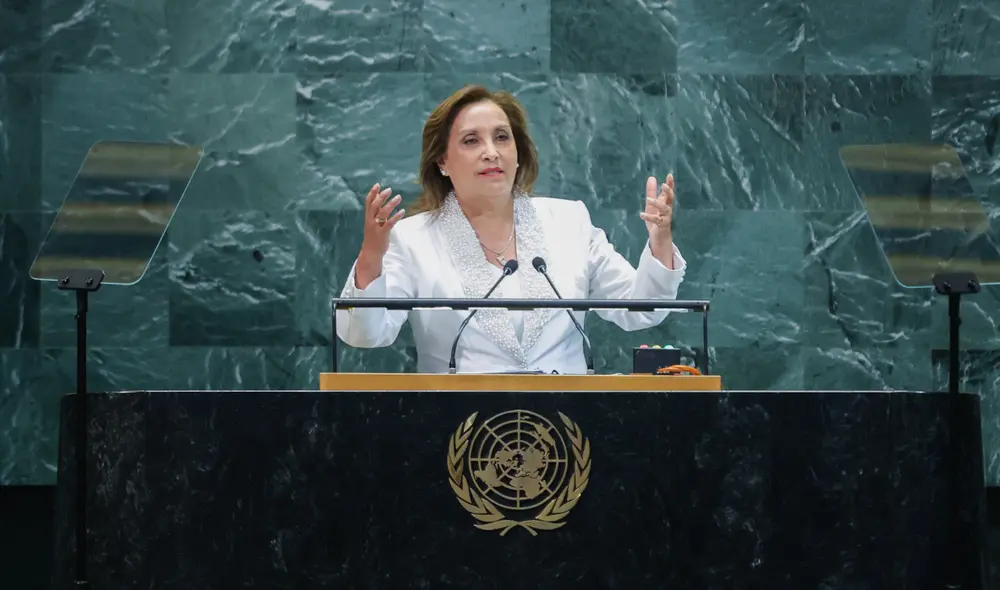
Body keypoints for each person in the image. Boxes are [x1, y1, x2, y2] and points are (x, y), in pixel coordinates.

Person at [336, 84, 687, 374]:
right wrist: (372, 256)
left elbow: (641, 309)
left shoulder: (569, 222)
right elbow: (364, 335)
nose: (491, 152)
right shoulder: (412, 239)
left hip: (567, 427)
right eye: (471, 141)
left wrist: (660, 242)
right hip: (457, 430)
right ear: (442, 161)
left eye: (502, 138)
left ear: (518, 153)